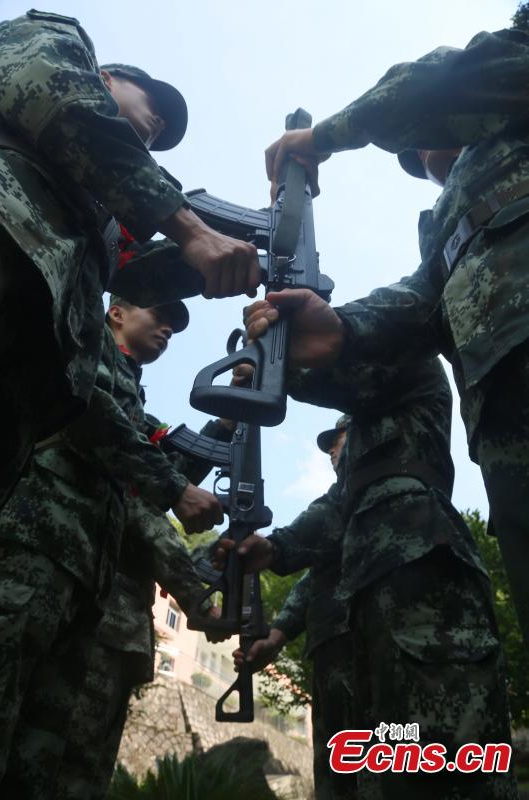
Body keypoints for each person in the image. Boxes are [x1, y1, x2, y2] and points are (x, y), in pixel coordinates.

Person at [262, 24, 529, 643]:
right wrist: (340, 328)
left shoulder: (510, 100)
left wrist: (322, 137)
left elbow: (436, 85)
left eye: (422, 140)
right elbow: (419, 302)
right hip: (504, 424)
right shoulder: (448, 223)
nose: (422, 153)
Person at [0, 9, 260, 534]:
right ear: (106, 78)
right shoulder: (54, 39)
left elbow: (135, 274)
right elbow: (54, 93)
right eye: (154, 105)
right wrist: (190, 228)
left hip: (18, 381)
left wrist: (254, 256)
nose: (160, 126)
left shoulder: (98, 213)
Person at [217, 356, 518, 799]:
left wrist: (275, 366)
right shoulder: (347, 502)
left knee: (442, 764)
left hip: (417, 604)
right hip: (353, 636)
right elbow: (320, 567)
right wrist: (278, 618)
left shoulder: (407, 386)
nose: (333, 451)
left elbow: (357, 350)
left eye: (338, 439)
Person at [0, 294, 236, 798]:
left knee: (34, 763)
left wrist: (228, 415)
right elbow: (109, 437)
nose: (168, 329)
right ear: (117, 312)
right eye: (159, 315)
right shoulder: (86, 345)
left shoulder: (131, 397)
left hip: (80, 584)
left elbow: (159, 471)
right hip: (30, 553)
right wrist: (192, 580)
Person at [234, 415, 357, 800]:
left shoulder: (369, 486)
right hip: (335, 651)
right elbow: (318, 578)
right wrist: (276, 637)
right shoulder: (341, 497)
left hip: (375, 644)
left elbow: (329, 519)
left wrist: (274, 548)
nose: (331, 450)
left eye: (339, 438)